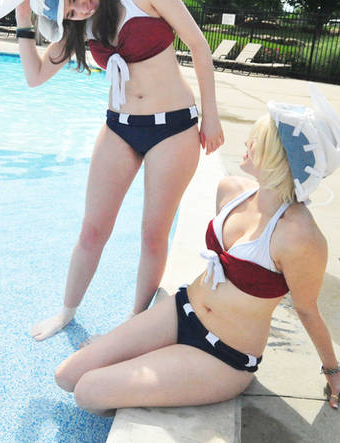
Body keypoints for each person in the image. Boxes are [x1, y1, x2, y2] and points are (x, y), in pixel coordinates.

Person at [54, 85, 340, 413]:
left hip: (224, 355)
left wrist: (333, 372)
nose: (246, 142)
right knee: (67, 375)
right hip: (181, 311)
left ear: (280, 157)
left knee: (88, 391)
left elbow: (307, 310)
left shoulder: (302, 239)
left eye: (258, 139)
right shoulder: (232, 190)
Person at [0, 0, 223, 341]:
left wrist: (213, 116)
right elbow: (34, 76)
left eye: (75, 0)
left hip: (173, 128)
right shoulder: (80, 26)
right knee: (92, 229)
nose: (80, 10)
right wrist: (23, 19)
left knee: (153, 233)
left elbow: (200, 46)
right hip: (120, 125)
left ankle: (135, 322)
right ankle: (66, 311)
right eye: (69, 12)